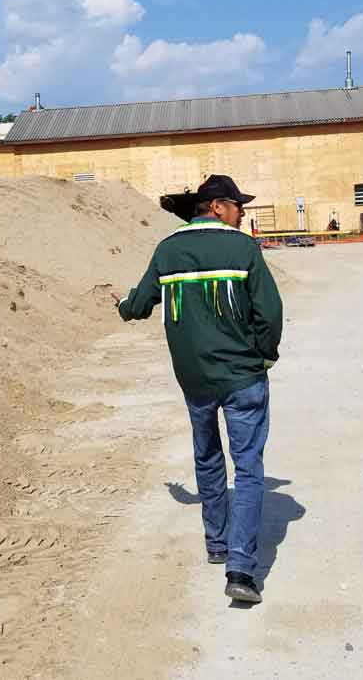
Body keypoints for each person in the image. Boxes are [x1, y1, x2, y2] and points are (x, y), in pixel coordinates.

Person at [115, 174, 283, 604]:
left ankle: (217, 542)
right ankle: (241, 569)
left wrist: (121, 304)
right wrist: (265, 356)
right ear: (217, 207)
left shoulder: (167, 249)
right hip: (242, 377)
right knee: (247, 467)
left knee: (207, 455)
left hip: (194, 380)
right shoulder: (241, 248)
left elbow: (138, 305)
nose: (243, 213)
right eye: (238, 206)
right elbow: (269, 311)